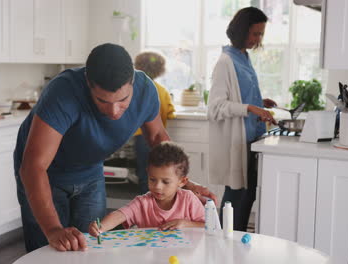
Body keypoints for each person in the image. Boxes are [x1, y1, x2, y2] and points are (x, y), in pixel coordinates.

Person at [14, 43, 216, 253]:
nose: (113, 111)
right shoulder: (63, 92)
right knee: (48, 250)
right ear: (88, 83)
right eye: (102, 101)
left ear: (133, 83)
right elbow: (34, 166)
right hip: (45, 174)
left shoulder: (145, 90)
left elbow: (157, 137)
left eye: (123, 100)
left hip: (90, 170)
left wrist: (183, 182)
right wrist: (54, 229)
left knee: (92, 245)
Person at [207, 7, 277, 232]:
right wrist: (251, 107)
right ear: (241, 30)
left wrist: (259, 101)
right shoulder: (225, 62)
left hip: (251, 139)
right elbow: (216, 107)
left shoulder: (244, 58)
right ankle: (223, 243)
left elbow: (239, 94)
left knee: (246, 196)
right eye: (255, 33)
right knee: (236, 196)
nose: (258, 39)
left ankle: (235, 242)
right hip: (237, 142)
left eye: (261, 34)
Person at [89, 142, 205, 236]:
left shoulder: (189, 199)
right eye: (152, 179)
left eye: (165, 182)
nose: (157, 186)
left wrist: (186, 224)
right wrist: (100, 227)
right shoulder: (142, 203)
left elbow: (209, 225)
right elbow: (119, 215)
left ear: (182, 181)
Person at [133, 51, 176, 194]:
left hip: (142, 138)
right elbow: (170, 113)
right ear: (160, 70)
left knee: (144, 174)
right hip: (160, 139)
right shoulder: (163, 91)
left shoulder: (136, 89)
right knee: (158, 175)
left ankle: (143, 205)